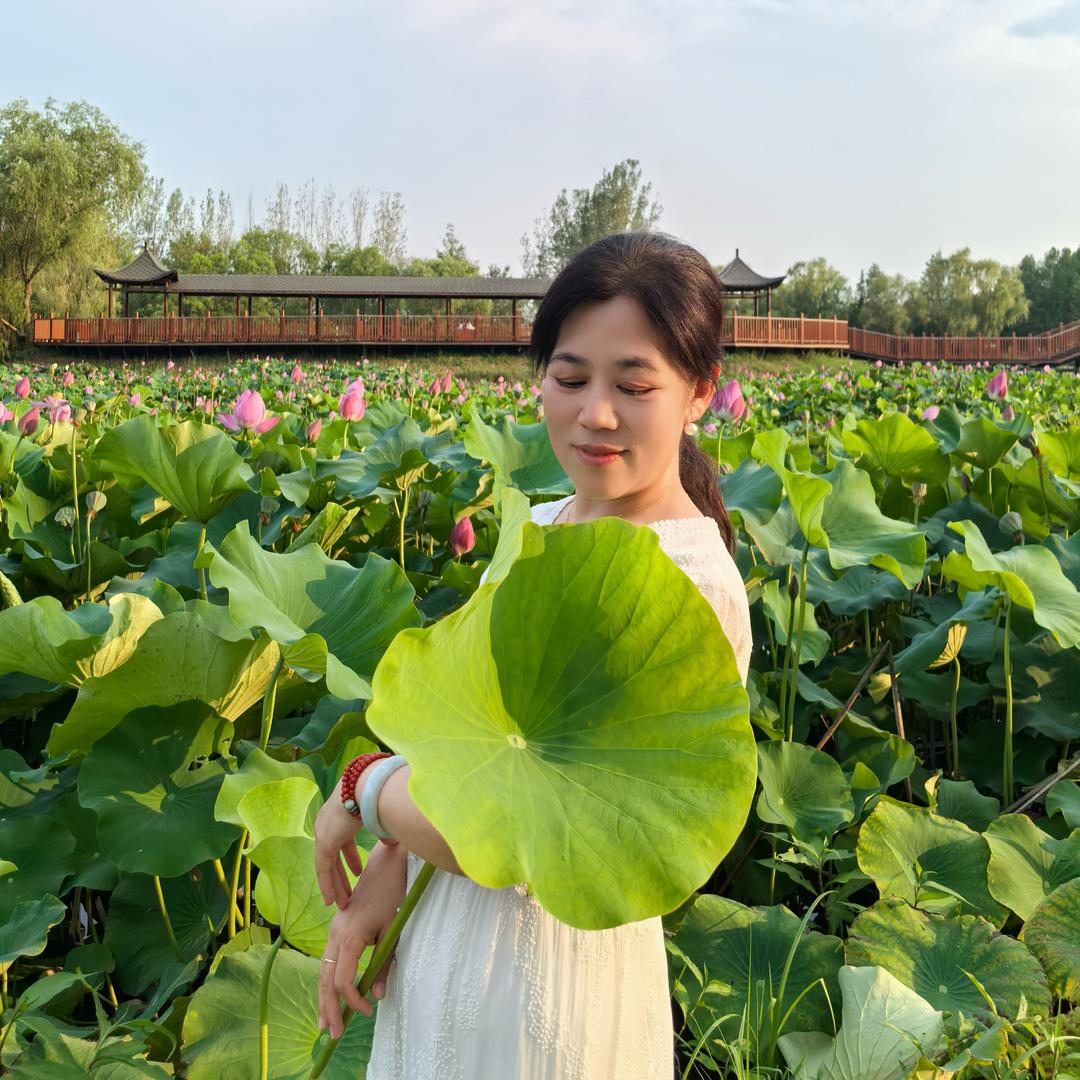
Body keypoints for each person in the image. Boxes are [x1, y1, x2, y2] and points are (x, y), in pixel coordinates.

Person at [313, 230, 753, 1079]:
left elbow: (507, 836)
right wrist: (386, 869)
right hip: (440, 950)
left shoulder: (691, 586)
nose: (595, 413)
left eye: (634, 384)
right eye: (569, 376)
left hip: (548, 993)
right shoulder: (544, 523)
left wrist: (362, 790)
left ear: (699, 393)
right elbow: (472, 743)